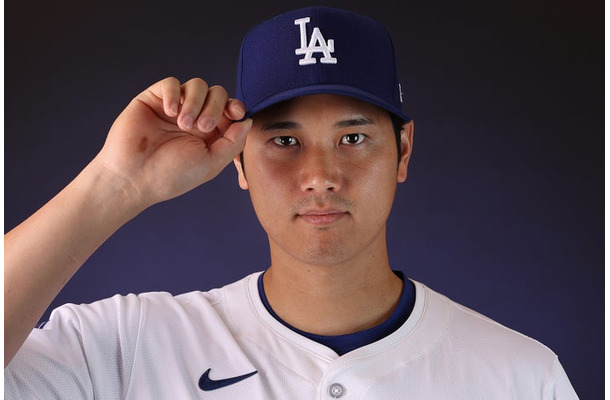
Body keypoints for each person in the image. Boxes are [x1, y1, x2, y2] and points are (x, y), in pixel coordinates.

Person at [4, 6, 578, 399]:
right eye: (284, 140)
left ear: (403, 151)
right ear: (238, 160)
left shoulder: (519, 375)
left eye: (353, 139)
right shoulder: (131, 345)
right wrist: (116, 182)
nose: (320, 176)